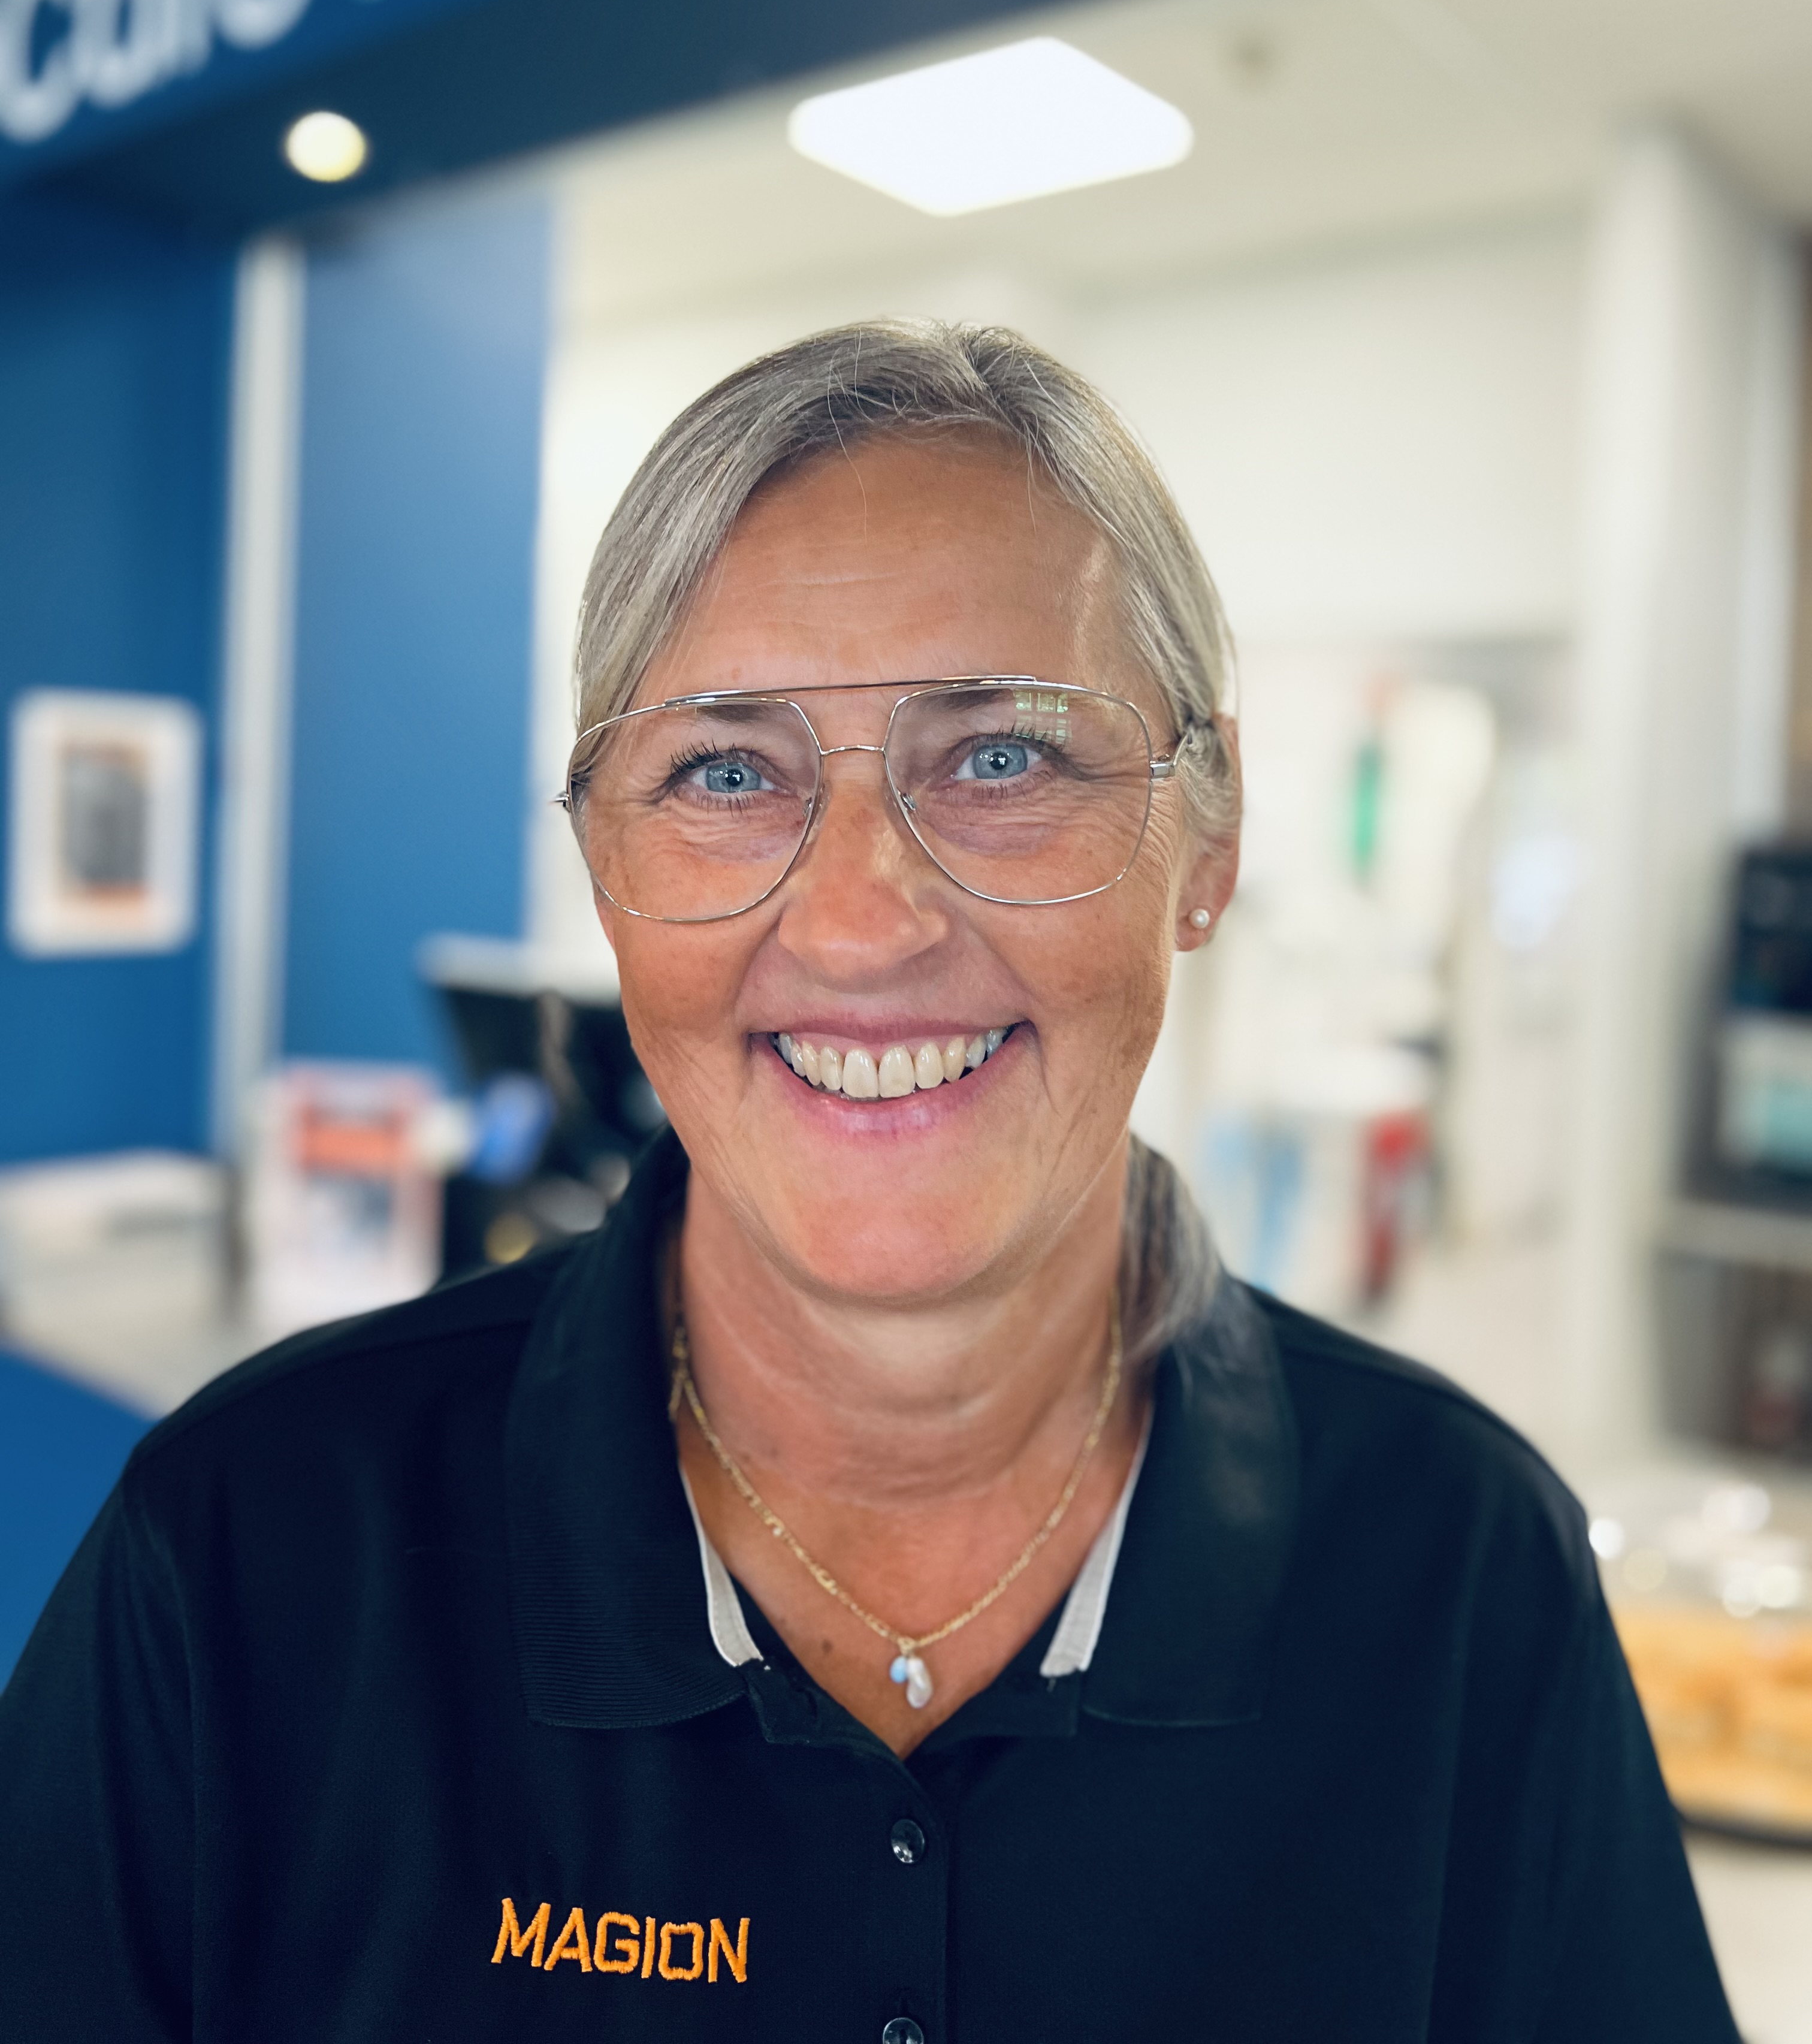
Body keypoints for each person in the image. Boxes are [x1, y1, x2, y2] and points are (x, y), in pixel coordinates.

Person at [0, 321, 1736, 2042]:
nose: (856, 923)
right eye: (725, 773)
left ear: (1207, 842)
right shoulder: (245, 1555)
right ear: (603, 871)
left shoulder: (1460, 1571)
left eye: (1003, 758)